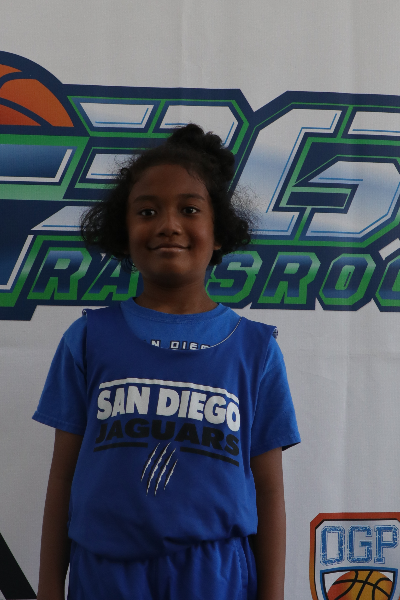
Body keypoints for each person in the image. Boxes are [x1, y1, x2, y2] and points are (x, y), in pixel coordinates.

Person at [34, 124, 300, 600]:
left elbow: (269, 492)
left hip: (214, 575)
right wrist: (50, 587)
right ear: (124, 231)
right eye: (147, 211)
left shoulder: (255, 349)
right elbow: (61, 477)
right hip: (105, 573)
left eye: (190, 209)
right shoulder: (89, 338)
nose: (168, 225)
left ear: (219, 233)